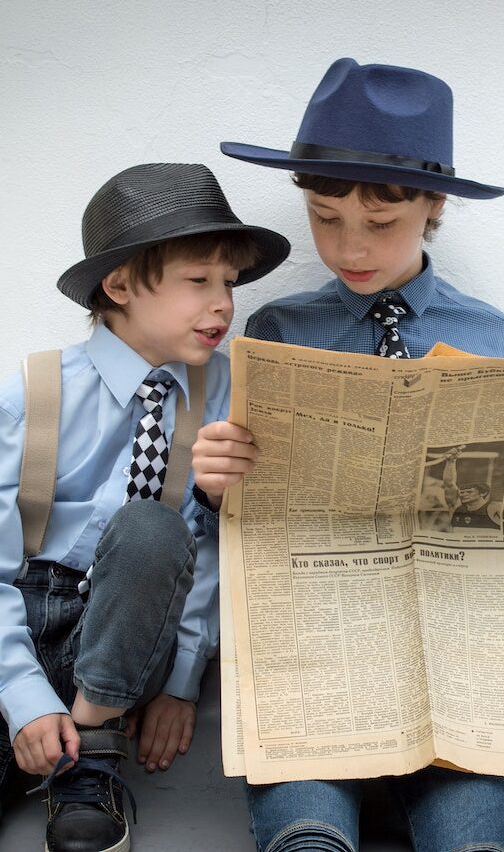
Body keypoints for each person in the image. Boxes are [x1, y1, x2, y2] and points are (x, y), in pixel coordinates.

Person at [193, 58, 504, 852]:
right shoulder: (277, 332)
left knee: (476, 839)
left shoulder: (492, 334)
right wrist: (219, 484)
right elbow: (254, 516)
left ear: (433, 206)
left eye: (380, 224)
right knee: (306, 833)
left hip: (457, 673)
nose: (347, 246)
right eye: (324, 218)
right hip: (317, 663)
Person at [0, 162, 289, 852]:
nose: (223, 302)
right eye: (199, 280)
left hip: (137, 626)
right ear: (121, 284)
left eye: (229, 282)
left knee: (154, 524)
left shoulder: (229, 389)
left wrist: (185, 679)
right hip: (28, 620)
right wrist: (25, 698)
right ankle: (45, 737)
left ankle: (91, 757)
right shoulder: (31, 392)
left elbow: (212, 546)